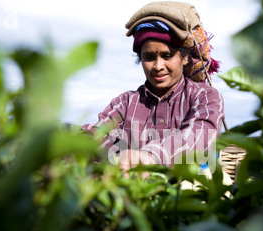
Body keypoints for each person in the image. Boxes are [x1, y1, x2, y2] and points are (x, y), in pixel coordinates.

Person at [82, 1, 225, 179]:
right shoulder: (125, 102)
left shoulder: (204, 96)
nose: (158, 66)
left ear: (185, 57)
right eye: (149, 57)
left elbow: (199, 136)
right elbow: (97, 134)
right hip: (132, 192)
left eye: (167, 56)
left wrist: (150, 157)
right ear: (140, 59)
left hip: (186, 192)